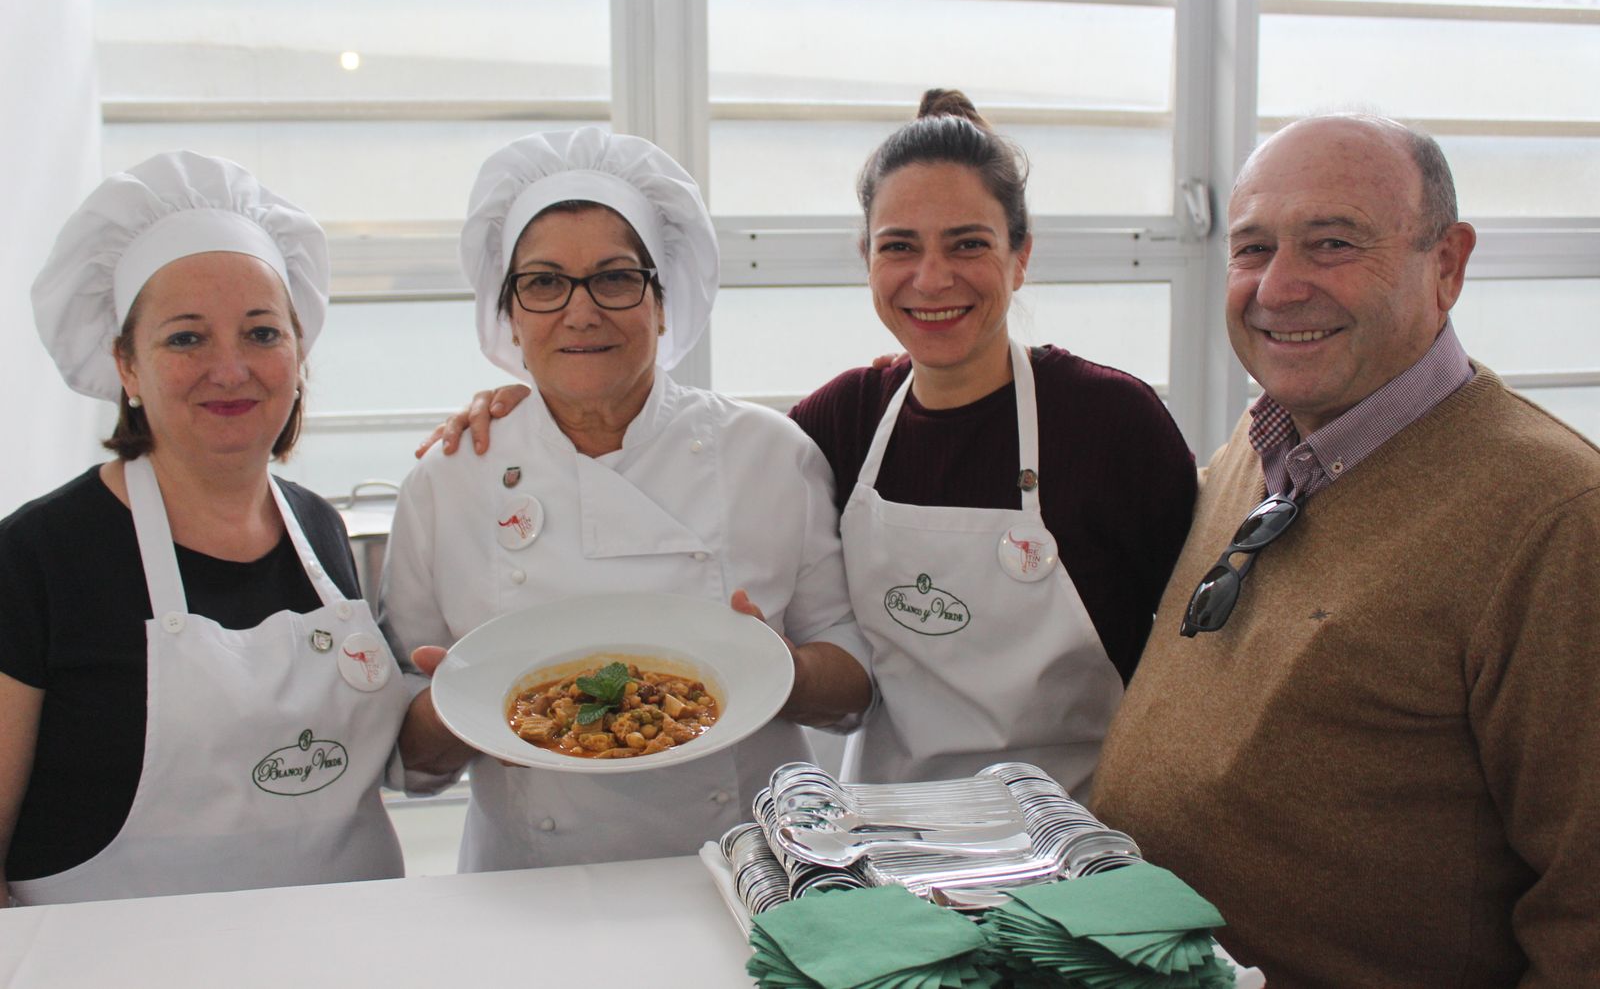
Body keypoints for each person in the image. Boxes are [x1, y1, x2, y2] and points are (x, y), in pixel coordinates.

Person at [423, 91, 1197, 796]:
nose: (931, 278)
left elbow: (1195, 668)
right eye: (899, 246)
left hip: (1080, 825)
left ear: (1021, 256)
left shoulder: (1113, 424)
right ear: (866, 259)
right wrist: (525, 410)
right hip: (894, 830)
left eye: (967, 244)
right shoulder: (840, 422)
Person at [1091, 115, 1600, 986]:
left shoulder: (1555, 517)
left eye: (1331, 244)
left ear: (1446, 265)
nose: (1278, 288)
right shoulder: (1255, 451)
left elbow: (1585, 911)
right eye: (1252, 249)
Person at [381, 127, 872, 872]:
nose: (580, 312)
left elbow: (854, 688)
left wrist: (776, 670)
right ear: (510, 314)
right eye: (543, 283)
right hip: (526, 886)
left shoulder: (770, 454)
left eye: (614, 278)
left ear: (664, 301)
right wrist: (460, 705)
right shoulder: (445, 484)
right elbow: (411, 760)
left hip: (746, 878)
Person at [0, 152, 409, 906]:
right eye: (186, 338)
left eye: (261, 332)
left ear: (298, 350)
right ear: (126, 364)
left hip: (348, 956)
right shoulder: (35, 560)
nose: (230, 368)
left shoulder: (319, 527)